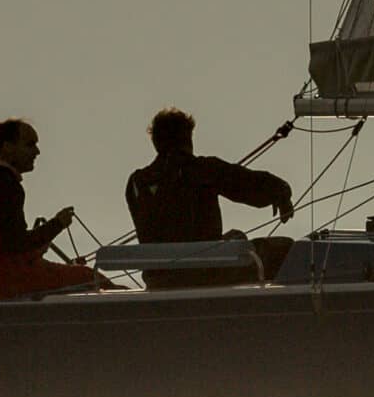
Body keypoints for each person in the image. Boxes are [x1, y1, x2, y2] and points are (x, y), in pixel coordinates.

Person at [124, 108, 296, 288]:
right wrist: (282, 192)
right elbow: (252, 186)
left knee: (235, 237)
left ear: (156, 142)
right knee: (285, 248)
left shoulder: (136, 183)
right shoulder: (202, 169)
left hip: (159, 279)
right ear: (187, 139)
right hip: (207, 273)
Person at [0, 118, 111, 301]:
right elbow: (16, 245)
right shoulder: (6, 186)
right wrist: (57, 224)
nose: (37, 151)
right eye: (30, 145)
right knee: (91, 278)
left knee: (74, 273)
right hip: (4, 280)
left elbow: (1, 242)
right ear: (8, 147)